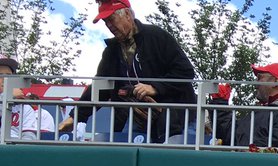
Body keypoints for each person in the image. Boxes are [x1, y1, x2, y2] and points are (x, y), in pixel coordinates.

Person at [58, 1, 196, 143]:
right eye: (106, 22)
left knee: (179, 155)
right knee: (124, 151)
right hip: (137, 119)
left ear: (128, 15)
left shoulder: (156, 36)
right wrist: (75, 117)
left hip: (178, 118)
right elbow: (100, 87)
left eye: (111, 19)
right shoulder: (112, 51)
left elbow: (185, 71)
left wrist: (155, 87)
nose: (109, 25)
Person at [212, 63, 278, 149]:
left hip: (256, 162)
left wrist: (245, 150)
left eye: (259, 78)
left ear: (275, 81)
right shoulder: (260, 112)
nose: (255, 84)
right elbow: (231, 136)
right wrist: (220, 103)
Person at [1, 56, 56, 140]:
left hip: (13, 146)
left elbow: (29, 136)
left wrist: (15, 146)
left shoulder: (24, 106)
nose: (5, 79)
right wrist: (5, 96)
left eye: (9, 75)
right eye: (1, 75)